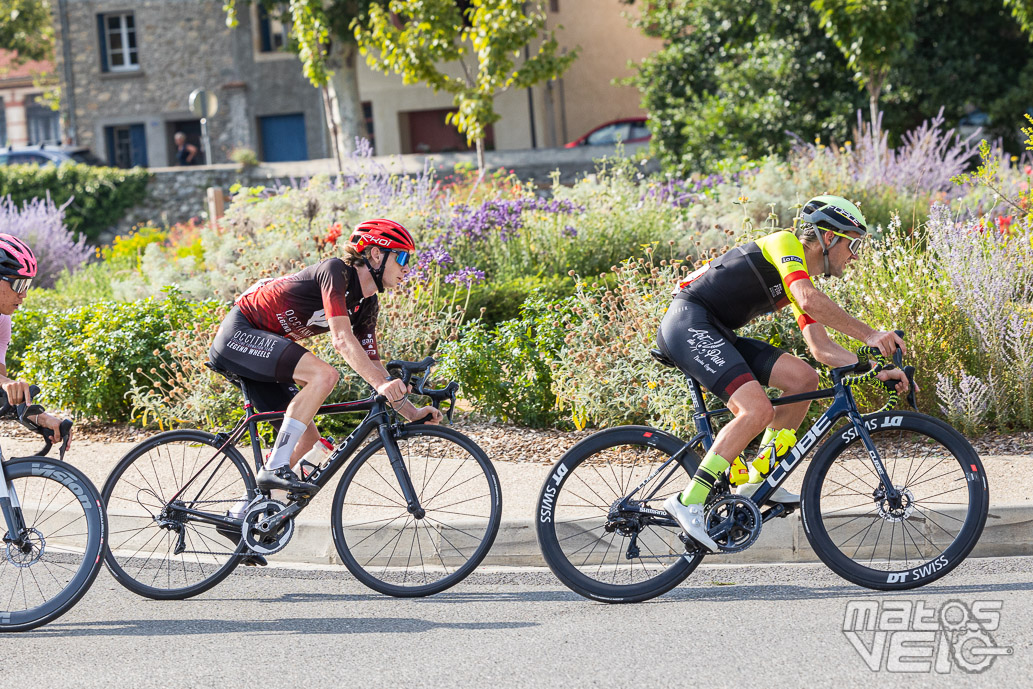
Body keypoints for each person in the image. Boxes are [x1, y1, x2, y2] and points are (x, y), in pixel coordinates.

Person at [658, 195, 910, 552]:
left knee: (803, 379)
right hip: (688, 322)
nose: (855, 255)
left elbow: (822, 350)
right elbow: (807, 300)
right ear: (828, 238)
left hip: (715, 330)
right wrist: (871, 335)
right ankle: (689, 501)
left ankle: (756, 484)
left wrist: (874, 368)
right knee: (756, 410)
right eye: (853, 244)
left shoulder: (797, 280)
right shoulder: (784, 244)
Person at [208, 218, 443, 498]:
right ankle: (274, 468)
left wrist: (412, 413)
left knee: (308, 441)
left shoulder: (367, 302)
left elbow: (374, 365)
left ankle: (247, 512)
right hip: (240, 334)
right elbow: (342, 339)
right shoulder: (336, 272)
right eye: (402, 257)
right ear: (376, 254)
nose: (407, 268)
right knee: (324, 374)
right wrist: (381, 385)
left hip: (264, 347)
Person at [0, 234, 68, 443]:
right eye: (18, 285)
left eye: (27, 285)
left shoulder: (2, 321)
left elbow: (1, 395)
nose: (24, 295)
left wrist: (40, 418)